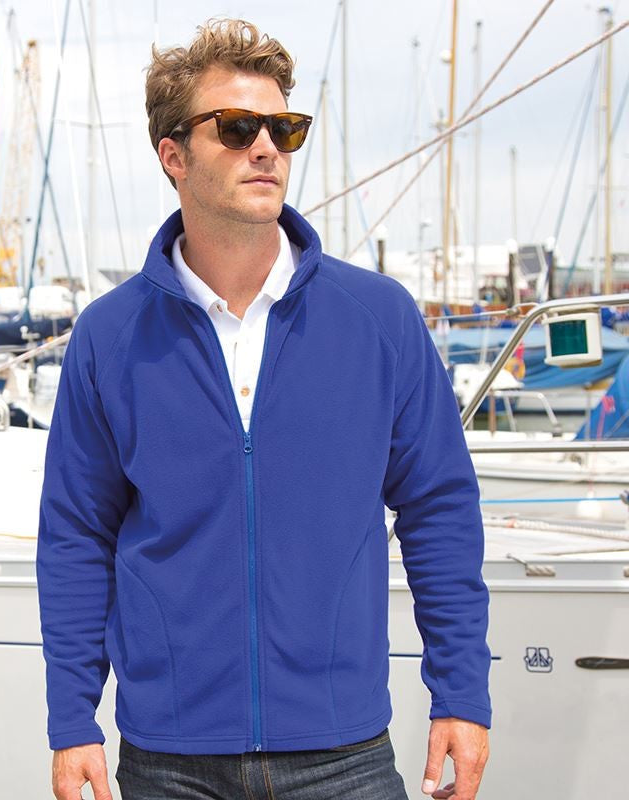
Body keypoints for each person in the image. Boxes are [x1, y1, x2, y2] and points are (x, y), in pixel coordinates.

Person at [37, 18, 491, 800]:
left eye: (284, 128)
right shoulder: (110, 337)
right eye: (237, 127)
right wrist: (72, 718)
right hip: (168, 761)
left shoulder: (377, 318)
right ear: (173, 155)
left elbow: (439, 508)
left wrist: (461, 693)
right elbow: (76, 533)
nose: (267, 148)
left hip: (343, 755)